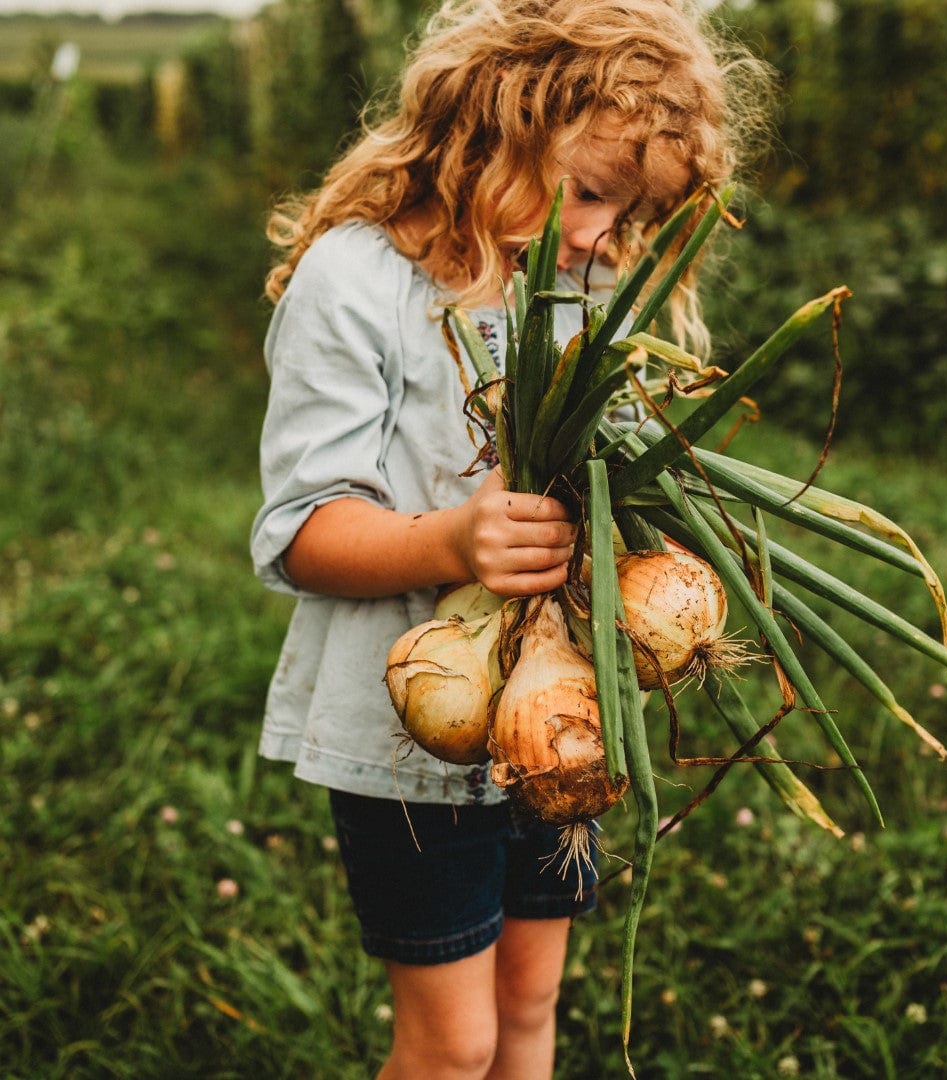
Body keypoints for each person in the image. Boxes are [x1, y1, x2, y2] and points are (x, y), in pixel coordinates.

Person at [251, 2, 774, 1075]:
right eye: (584, 191)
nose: (592, 232)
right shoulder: (359, 281)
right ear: (490, 122)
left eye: (623, 210)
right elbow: (302, 530)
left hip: (565, 721)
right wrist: (457, 542)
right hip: (412, 738)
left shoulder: (586, 285)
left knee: (530, 1010)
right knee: (454, 1044)